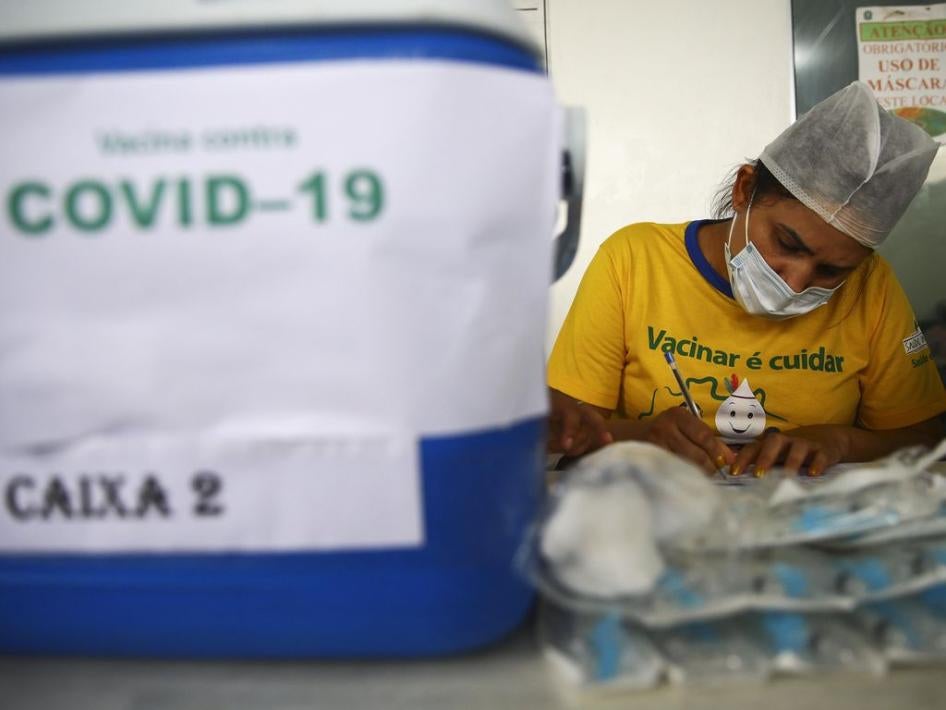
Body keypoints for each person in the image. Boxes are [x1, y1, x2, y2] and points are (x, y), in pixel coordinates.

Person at [547, 81, 946, 476]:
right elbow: (559, 436)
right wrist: (637, 437)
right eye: (788, 244)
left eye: (831, 271)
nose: (795, 283)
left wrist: (839, 442)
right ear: (745, 189)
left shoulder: (870, 286)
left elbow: (926, 436)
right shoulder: (634, 260)